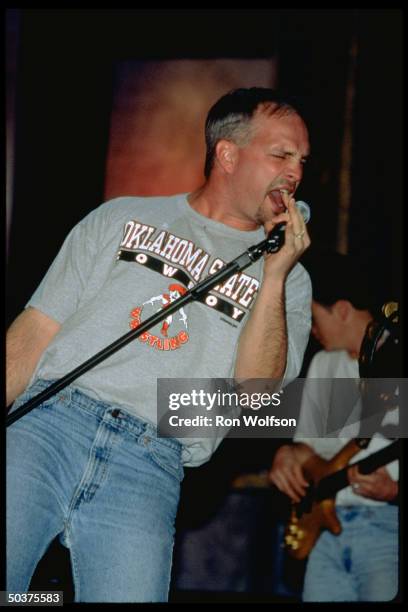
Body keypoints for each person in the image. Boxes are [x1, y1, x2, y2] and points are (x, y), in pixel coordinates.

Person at [6, 87, 312, 602]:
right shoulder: (121, 216)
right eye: (281, 154)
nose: (295, 172)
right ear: (228, 154)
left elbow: (256, 396)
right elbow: (35, 331)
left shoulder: (292, 284)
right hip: (51, 424)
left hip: (152, 458)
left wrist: (275, 276)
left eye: (302, 160)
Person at [269, 253, 399, 602]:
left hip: (387, 528)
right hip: (325, 532)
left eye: (314, 317)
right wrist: (288, 454)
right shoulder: (324, 363)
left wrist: (395, 492)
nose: (311, 329)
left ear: (341, 309)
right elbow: (308, 447)